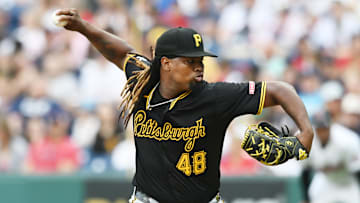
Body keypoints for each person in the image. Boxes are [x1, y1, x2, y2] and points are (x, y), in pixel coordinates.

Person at [56, 8, 314, 203]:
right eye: (190, 61)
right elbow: (120, 52)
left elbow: (280, 90)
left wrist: (306, 132)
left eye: (200, 60)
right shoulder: (143, 80)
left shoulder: (216, 96)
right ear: (166, 63)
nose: (199, 66)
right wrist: (82, 27)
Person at [301, 111, 360, 203]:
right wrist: (306, 198)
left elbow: (357, 170)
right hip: (325, 180)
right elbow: (305, 171)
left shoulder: (347, 140)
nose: (322, 132)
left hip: (347, 181)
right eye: (319, 128)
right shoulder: (307, 142)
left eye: (324, 128)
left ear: (330, 126)